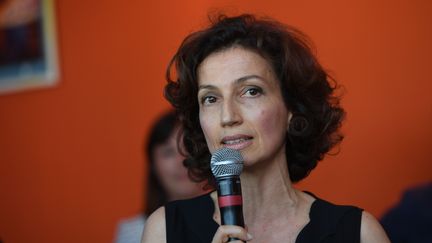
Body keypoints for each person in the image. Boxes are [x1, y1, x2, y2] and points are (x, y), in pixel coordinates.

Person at [142, 14, 390, 243]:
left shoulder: (359, 233)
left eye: (251, 91)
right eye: (210, 98)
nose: (228, 117)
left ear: (292, 106)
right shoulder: (165, 229)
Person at [114, 111, 206, 243]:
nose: (181, 161)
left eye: (189, 148)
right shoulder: (133, 233)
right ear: (153, 164)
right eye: (168, 153)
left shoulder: (232, 221)